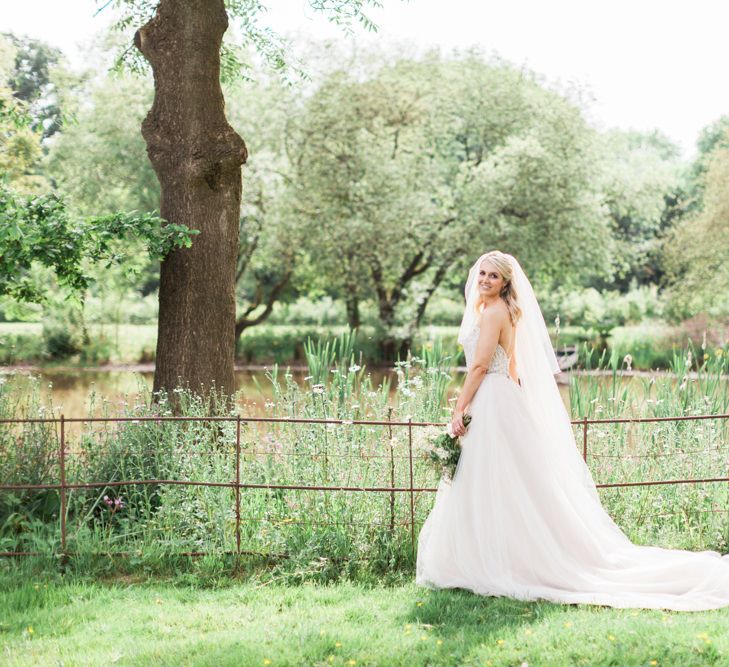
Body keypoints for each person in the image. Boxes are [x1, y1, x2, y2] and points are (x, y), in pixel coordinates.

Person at [416, 250, 729, 611]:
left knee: (492, 477)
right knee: (506, 480)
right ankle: (500, 553)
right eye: (482, 273)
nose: (485, 280)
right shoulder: (504, 312)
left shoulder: (493, 312)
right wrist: (518, 404)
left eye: (493, 276)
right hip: (501, 401)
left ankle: (498, 558)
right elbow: (512, 363)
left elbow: (480, 366)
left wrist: (459, 408)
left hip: (489, 399)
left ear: (505, 283)